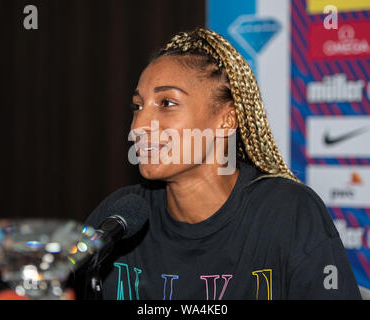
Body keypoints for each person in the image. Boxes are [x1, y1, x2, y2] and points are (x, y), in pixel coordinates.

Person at [82, 28, 361, 300]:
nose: (139, 126)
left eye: (167, 103)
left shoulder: (289, 214)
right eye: (137, 106)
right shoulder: (118, 221)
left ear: (227, 120)